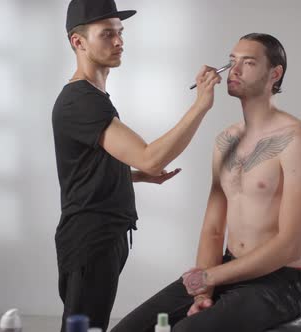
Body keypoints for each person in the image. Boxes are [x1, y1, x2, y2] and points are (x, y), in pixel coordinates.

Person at [112, 33, 301, 332]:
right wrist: (202, 291)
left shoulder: (298, 139)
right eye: (232, 61)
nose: (234, 70)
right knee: (128, 330)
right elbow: (213, 230)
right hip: (226, 269)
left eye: (248, 63)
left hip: (276, 284)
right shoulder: (225, 141)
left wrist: (211, 278)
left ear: (275, 74)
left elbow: (289, 246)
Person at [52, 0, 222, 331]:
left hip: (104, 235)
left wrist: (133, 177)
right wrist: (201, 105)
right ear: (78, 42)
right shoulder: (81, 100)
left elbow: (86, 167)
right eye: (107, 34)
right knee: (84, 328)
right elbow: (150, 156)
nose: (119, 42)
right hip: (91, 238)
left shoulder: (94, 96)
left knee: (88, 325)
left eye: (120, 32)